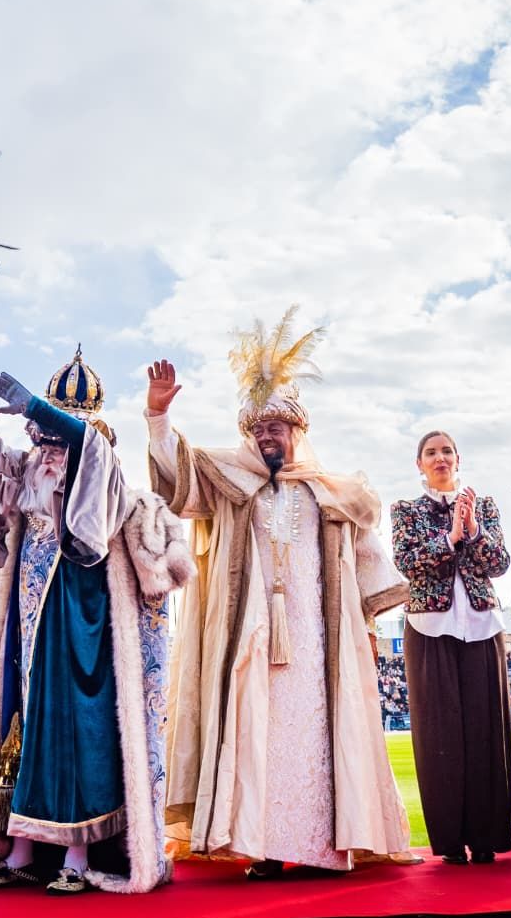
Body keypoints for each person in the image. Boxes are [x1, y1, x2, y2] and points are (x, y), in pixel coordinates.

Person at [146, 307, 415, 876]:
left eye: (278, 427)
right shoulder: (228, 483)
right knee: (256, 742)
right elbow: (176, 477)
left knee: (315, 742)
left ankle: (322, 847)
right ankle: (263, 848)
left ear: (298, 432)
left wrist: (367, 625)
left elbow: (365, 559)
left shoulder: (331, 493)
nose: (268, 436)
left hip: (319, 643)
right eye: (259, 429)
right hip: (249, 637)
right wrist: (158, 418)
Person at [0, 348, 191, 895]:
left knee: (75, 725)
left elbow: (88, 450)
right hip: (29, 613)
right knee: (26, 722)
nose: (47, 447)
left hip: (79, 616)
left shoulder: (100, 466)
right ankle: (22, 848)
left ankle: (80, 855)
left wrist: (37, 404)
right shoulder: (32, 467)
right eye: (42, 436)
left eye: (56, 436)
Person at [390, 430, 511, 865]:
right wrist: (450, 537)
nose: (439, 458)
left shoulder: (486, 505)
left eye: (446, 451)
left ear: (458, 458)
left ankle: (485, 838)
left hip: (481, 625)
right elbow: (407, 563)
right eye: (430, 452)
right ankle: (449, 843)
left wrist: (473, 529)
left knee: (486, 733)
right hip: (429, 627)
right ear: (419, 464)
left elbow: (499, 563)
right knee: (439, 737)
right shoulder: (405, 510)